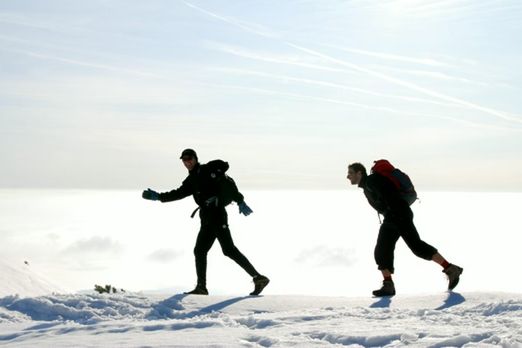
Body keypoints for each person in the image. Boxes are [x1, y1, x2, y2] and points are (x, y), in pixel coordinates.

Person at [142, 149, 269, 296]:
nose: (187, 162)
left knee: (228, 250)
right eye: (184, 160)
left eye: (189, 158)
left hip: (217, 215)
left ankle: (258, 278)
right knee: (200, 250)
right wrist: (158, 197)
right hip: (207, 218)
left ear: (195, 158)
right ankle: (201, 287)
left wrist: (239, 200)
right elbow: (178, 193)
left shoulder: (207, 171)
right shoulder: (192, 180)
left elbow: (226, 185)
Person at [347, 162, 463, 297]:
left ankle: (450, 269)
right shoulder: (368, 185)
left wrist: (392, 213)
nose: (348, 176)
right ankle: (449, 269)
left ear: (359, 173)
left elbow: (391, 196)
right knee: (397, 248)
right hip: (396, 216)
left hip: (398, 215)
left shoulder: (372, 181)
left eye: (350, 173)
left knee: (401, 248)